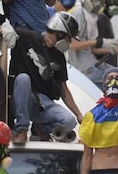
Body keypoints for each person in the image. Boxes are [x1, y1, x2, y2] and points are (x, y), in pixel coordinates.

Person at [8, 11, 84, 144]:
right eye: (68, 38)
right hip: (21, 97)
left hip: (43, 103)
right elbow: (5, 33)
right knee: (23, 78)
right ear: (59, 33)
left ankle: (41, 128)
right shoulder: (25, 37)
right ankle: (21, 129)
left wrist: (78, 114)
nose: (68, 42)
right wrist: (2, 28)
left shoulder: (59, 56)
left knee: (69, 121)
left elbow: (64, 90)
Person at [94, 0, 118, 67]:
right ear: (103, 0)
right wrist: (112, 50)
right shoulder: (99, 20)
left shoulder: (106, 20)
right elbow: (93, 49)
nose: (115, 4)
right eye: (112, 0)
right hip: (102, 71)